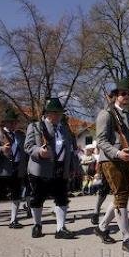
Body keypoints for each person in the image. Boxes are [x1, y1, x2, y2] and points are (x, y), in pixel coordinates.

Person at [93, 78, 129, 253]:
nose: (126, 96)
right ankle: (127, 238)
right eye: (123, 93)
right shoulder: (106, 114)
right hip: (112, 160)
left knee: (121, 197)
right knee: (121, 197)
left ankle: (102, 227)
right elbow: (101, 140)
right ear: (114, 96)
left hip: (127, 160)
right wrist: (117, 153)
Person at [24, 99, 77, 239]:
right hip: (41, 168)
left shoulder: (65, 129)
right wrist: (39, 152)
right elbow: (28, 146)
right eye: (56, 112)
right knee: (38, 198)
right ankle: (37, 224)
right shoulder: (35, 127)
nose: (59, 115)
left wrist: (72, 166)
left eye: (60, 113)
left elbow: (70, 150)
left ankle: (60, 228)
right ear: (48, 113)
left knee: (62, 198)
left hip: (60, 168)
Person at [0, 108, 28, 229]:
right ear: (5, 123)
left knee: (16, 194)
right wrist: (1, 149)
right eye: (11, 122)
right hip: (1, 169)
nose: (14, 124)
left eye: (15, 122)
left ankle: (13, 220)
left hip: (17, 168)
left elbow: (25, 150)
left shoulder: (20, 135)